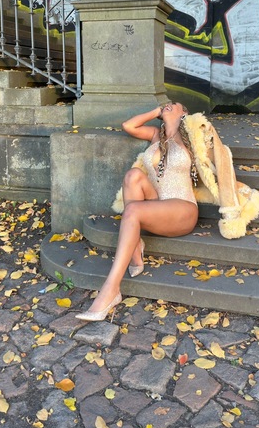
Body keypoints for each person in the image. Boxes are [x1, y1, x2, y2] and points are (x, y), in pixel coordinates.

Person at [75, 102, 199, 322]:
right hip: (157, 205)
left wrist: (176, 121)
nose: (169, 105)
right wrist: (156, 112)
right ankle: (135, 245)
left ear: (184, 112)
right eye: (167, 104)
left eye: (175, 104)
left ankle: (111, 289)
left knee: (132, 210)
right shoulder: (156, 135)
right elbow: (128, 125)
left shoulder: (191, 134)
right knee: (132, 175)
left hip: (183, 209)